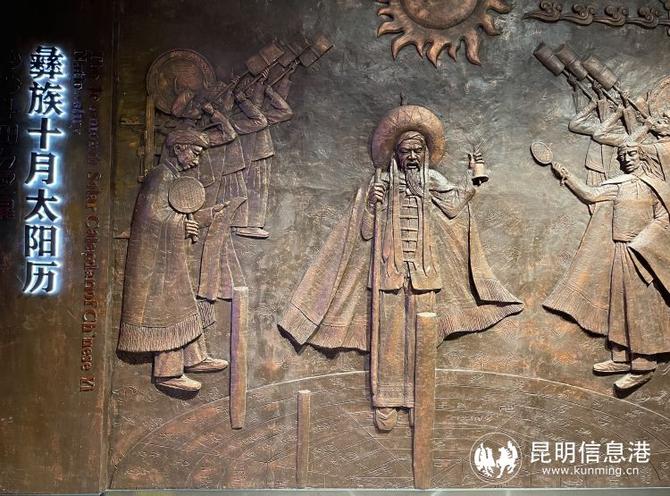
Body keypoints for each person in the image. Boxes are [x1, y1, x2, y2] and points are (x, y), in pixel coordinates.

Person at [280, 105, 523, 430]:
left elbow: (453, 206)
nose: (411, 156)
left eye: (417, 150)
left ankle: (419, 399)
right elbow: (364, 232)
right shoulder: (380, 182)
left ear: (426, 153)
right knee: (389, 340)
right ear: (395, 154)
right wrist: (370, 205)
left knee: (423, 338)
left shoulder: (432, 180)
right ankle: (386, 400)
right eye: (405, 151)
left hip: (424, 275)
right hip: (388, 275)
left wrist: (473, 177)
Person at [544, 140, 670, 390]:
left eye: (632, 154)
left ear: (642, 156)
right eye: (623, 156)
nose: (627, 159)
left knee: (640, 308)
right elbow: (590, 195)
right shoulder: (619, 185)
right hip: (620, 250)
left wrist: (647, 241)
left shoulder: (655, 186)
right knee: (619, 303)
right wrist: (566, 175)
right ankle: (621, 357)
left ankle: (643, 365)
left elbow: (664, 217)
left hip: (643, 254)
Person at [119, 128, 237, 393]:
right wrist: (181, 225)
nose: (196, 159)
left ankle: (194, 358)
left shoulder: (172, 177)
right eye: (195, 153)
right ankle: (168, 373)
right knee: (168, 313)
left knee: (182, 306)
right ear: (178, 148)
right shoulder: (160, 176)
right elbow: (150, 219)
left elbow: (175, 214)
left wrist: (208, 215)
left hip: (168, 260)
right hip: (155, 266)